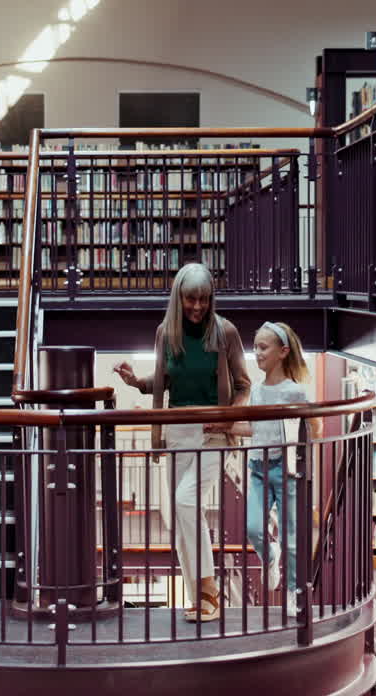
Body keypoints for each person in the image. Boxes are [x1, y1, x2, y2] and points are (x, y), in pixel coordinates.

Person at [114, 263, 250, 623]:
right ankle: (201, 596)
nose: (198, 307)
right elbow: (164, 379)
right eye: (191, 298)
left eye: (204, 299)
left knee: (185, 501)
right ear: (178, 297)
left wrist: (227, 417)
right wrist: (135, 383)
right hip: (175, 430)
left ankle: (209, 589)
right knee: (180, 515)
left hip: (213, 432)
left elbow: (243, 385)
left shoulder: (226, 332)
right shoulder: (165, 332)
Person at [231, 321, 322, 617]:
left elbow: (315, 424)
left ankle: (295, 593)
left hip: (286, 470)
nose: (256, 353)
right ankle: (270, 556)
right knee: (253, 528)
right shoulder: (256, 392)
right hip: (257, 466)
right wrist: (223, 425)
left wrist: (301, 452)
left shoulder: (294, 391)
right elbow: (255, 430)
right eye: (255, 347)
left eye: (263, 347)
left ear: (282, 352)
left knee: (292, 538)